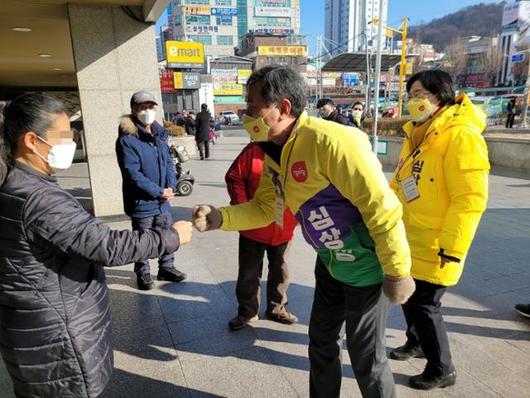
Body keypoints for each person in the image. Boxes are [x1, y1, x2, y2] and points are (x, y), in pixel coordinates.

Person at [193, 65, 415, 398]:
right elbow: (267, 208)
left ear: (281, 108)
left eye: (252, 105)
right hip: (330, 264)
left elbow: (380, 209)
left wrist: (397, 272)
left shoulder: (333, 141)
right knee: (321, 343)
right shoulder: (273, 152)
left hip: (367, 268)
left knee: (366, 356)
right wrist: (219, 217)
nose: (246, 113)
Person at [0, 93, 193, 398]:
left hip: (36, 329)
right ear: (32, 141)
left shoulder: (19, 184)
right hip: (58, 340)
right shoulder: (38, 198)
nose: (70, 142)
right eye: (63, 136)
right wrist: (169, 237)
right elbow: (105, 245)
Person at [389, 70, 490, 390]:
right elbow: (401, 184)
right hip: (409, 235)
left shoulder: (461, 135)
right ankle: (416, 343)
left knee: (425, 305)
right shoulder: (418, 132)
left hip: (437, 241)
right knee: (408, 297)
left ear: (441, 95)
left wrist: (453, 246)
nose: (414, 101)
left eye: (421, 94)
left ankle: (441, 367)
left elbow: (470, 198)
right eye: (411, 95)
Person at [116, 91, 188, 290]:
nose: (147, 111)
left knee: (167, 233)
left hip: (163, 200)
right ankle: (143, 272)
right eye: (142, 107)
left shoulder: (160, 135)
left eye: (150, 107)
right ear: (133, 110)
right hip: (142, 201)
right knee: (143, 238)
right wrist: (158, 191)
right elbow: (133, 174)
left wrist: (171, 187)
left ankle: (167, 267)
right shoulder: (127, 140)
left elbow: (169, 165)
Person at [225, 142, 298, 330]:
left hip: (284, 227)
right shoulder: (254, 150)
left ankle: (277, 308)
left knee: (280, 270)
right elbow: (234, 178)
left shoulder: (298, 150)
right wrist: (243, 209)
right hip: (253, 227)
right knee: (249, 272)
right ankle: (247, 311)